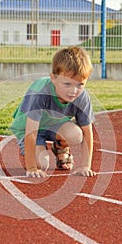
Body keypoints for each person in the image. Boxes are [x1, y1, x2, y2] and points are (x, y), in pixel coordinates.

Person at [10, 46, 96, 178]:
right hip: (30, 129)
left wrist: (85, 165)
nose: (73, 91)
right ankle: (40, 155)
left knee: (76, 135)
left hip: (55, 125)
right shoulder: (41, 93)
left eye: (80, 84)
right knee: (42, 165)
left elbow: (87, 132)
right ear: (53, 78)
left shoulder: (82, 97)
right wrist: (32, 168)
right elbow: (31, 132)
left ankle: (60, 147)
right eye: (67, 84)